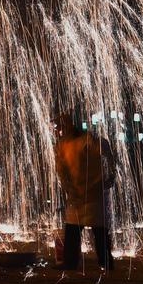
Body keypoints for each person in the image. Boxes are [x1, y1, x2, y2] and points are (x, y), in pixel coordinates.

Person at [53, 111, 115, 271]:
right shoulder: (63, 145)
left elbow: (107, 155)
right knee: (73, 229)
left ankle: (105, 262)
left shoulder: (89, 141)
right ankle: (71, 262)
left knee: (99, 230)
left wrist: (106, 181)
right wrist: (70, 189)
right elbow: (61, 171)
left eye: (63, 126)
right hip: (77, 194)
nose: (61, 130)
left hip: (94, 193)